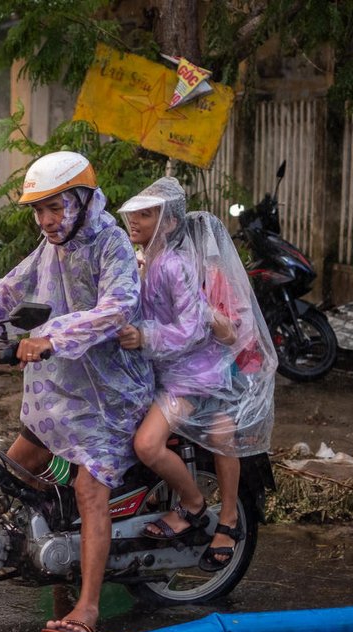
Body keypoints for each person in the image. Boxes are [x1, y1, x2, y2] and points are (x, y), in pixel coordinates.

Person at [0, 151, 154, 632]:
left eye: (56, 207)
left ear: (83, 200)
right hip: (58, 389)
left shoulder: (111, 244)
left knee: (90, 491)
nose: (46, 220)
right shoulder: (53, 246)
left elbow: (117, 309)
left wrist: (53, 335)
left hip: (107, 395)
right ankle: (54, 556)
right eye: (38, 210)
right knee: (14, 476)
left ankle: (87, 607)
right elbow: (12, 287)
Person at [117, 178, 275, 570]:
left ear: (169, 223)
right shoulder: (143, 261)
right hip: (161, 369)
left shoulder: (174, 265)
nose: (133, 220)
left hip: (192, 377)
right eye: (133, 212)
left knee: (149, 445)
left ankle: (195, 503)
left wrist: (145, 336)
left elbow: (192, 328)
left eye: (146, 214)